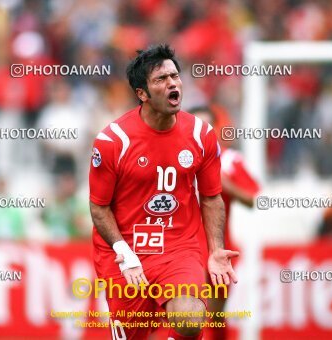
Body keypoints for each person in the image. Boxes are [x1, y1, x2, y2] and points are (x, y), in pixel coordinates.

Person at [89, 44, 238, 340]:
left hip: (177, 246)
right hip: (125, 253)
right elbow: (99, 207)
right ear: (142, 93)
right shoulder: (112, 141)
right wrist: (123, 251)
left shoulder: (201, 134)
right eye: (160, 79)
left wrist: (215, 249)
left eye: (175, 76)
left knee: (190, 319)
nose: (172, 83)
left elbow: (210, 197)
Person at [190, 106, 260, 340]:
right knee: (188, 314)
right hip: (185, 249)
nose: (202, 132)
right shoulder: (176, 159)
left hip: (219, 247)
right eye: (196, 126)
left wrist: (225, 184)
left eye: (207, 126)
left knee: (216, 317)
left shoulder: (228, 161)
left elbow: (252, 198)